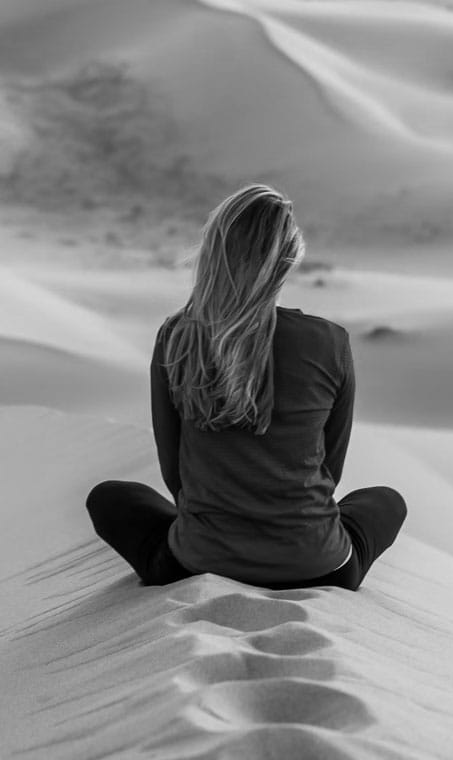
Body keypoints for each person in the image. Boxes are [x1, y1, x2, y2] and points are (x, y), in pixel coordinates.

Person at [86, 184, 406, 591]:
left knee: (111, 498)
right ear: (287, 261)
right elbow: (330, 468)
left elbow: (175, 474)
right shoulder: (329, 342)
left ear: (213, 253)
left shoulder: (178, 337)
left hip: (197, 560)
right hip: (317, 564)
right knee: (385, 501)